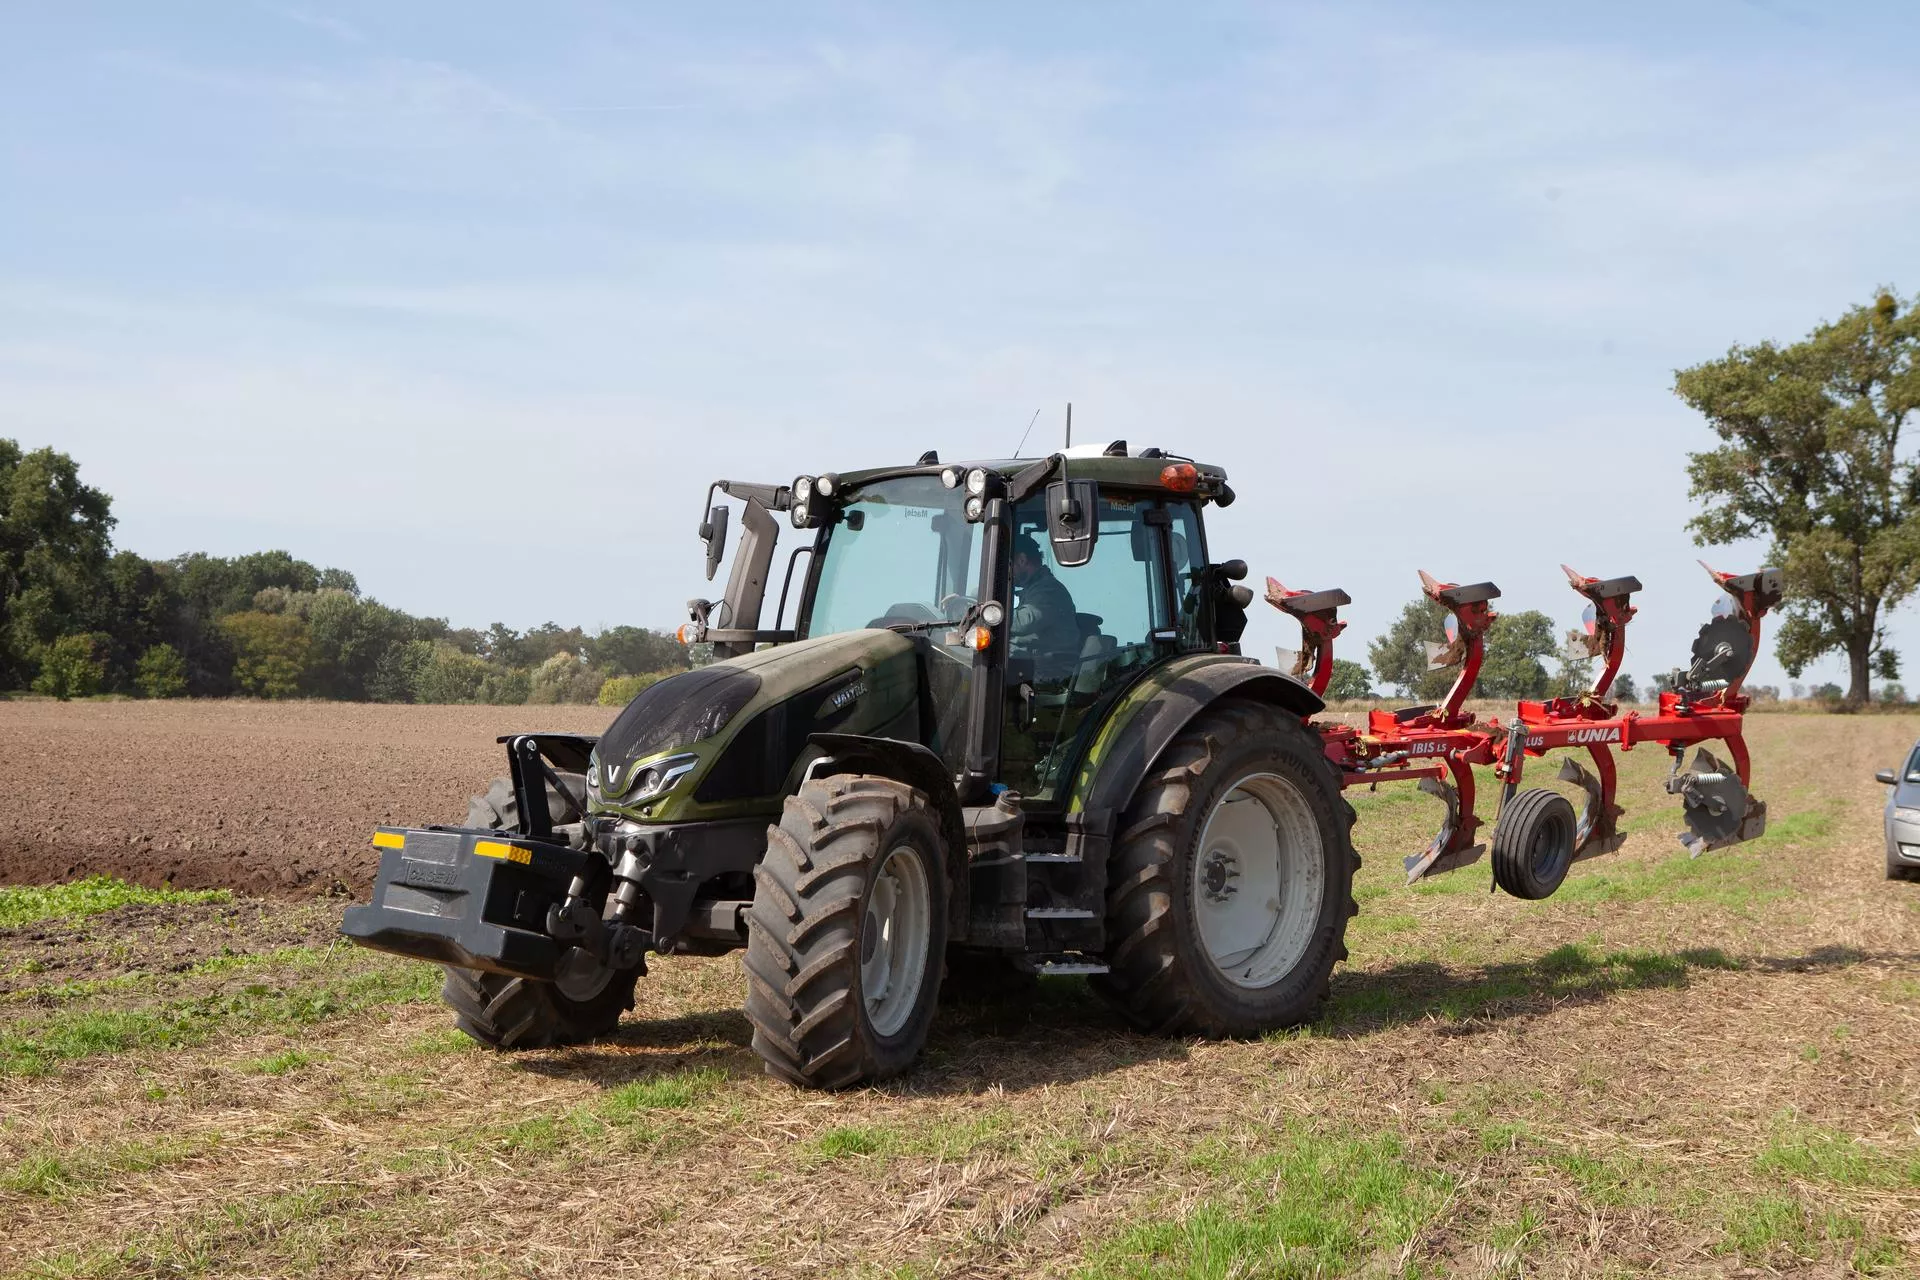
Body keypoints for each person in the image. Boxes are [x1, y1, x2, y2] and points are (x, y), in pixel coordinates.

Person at [1009, 534, 1081, 677]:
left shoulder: (1048, 589)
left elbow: (1024, 622)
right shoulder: (1035, 589)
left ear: (1022, 560)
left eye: (1009, 565)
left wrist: (987, 617)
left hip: (1053, 673)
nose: (1008, 573)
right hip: (1038, 665)